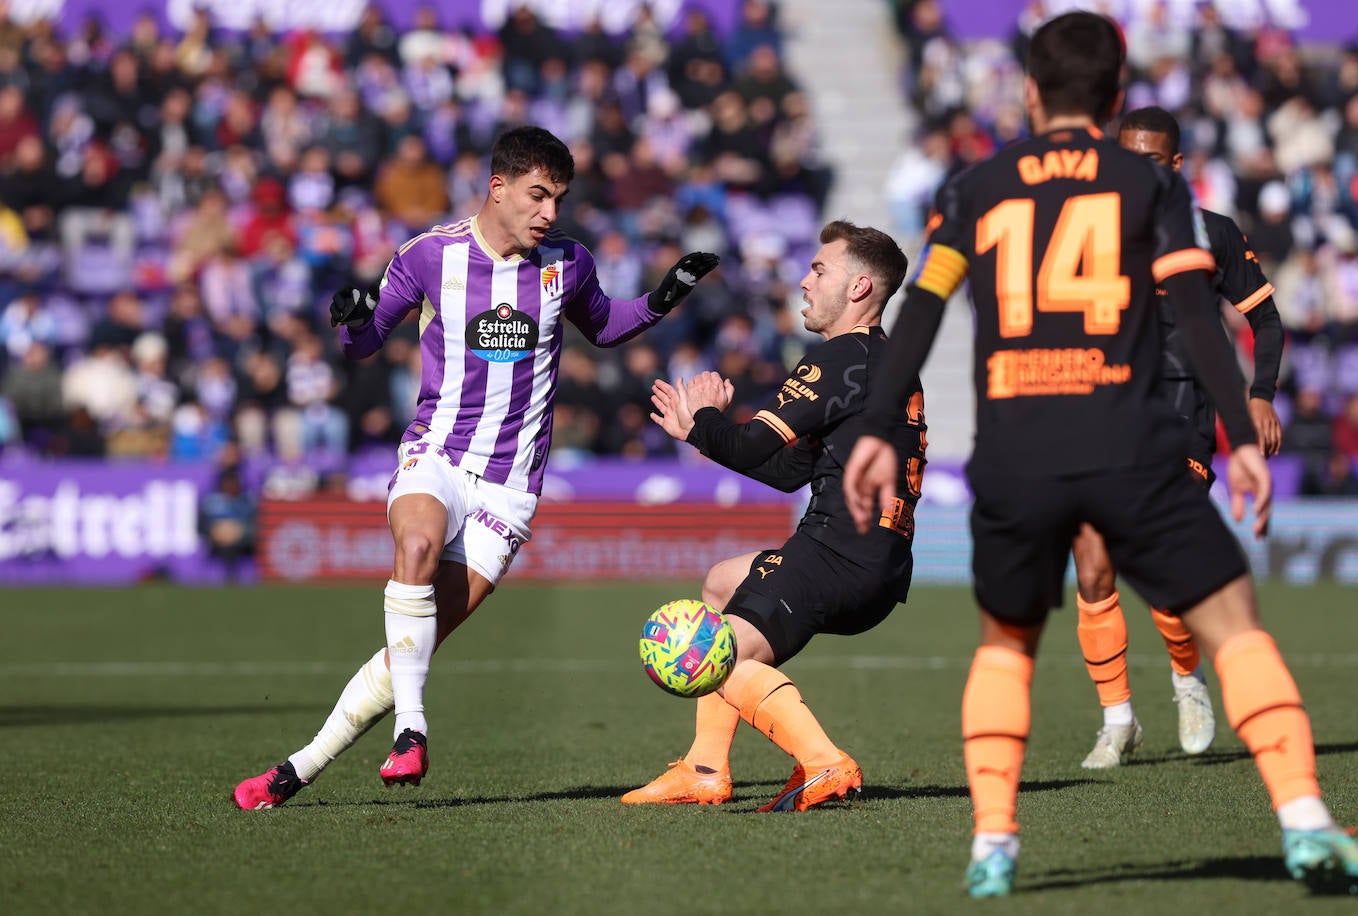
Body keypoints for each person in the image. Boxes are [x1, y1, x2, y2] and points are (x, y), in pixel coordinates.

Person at [842, 12, 1358, 898]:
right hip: (1130, 443)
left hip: (1015, 453)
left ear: (1028, 91)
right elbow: (1197, 318)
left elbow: (924, 312)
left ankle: (994, 845)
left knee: (1006, 647)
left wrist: (869, 430)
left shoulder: (975, 186)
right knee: (1233, 622)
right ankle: (1307, 822)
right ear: (1117, 96)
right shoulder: (1151, 185)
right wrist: (1241, 436)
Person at [233, 126, 719, 808]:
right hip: (437, 452)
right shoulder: (430, 256)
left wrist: (666, 297)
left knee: (415, 645)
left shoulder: (566, 264)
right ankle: (412, 730)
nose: (550, 212)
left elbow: (606, 325)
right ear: (498, 188)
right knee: (417, 545)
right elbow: (366, 343)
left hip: (511, 488)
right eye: (538, 195)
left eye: (559, 199)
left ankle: (293, 772)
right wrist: (349, 320)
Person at [623, 220, 924, 811]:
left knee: (708, 653)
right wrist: (702, 436)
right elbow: (789, 471)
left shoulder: (841, 358)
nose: (805, 282)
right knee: (719, 582)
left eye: (819, 269)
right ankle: (705, 767)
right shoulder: (885, 361)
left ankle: (824, 762)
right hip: (877, 566)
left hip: (835, 556)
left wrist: (707, 418)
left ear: (860, 288)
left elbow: (750, 447)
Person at [1073, 105, 1287, 769]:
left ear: (1174, 166)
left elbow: (1268, 323)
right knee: (1093, 568)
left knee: (1158, 566)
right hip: (1099, 411)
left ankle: (1187, 679)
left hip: (1181, 412)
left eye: (1148, 160)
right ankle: (1118, 723)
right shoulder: (1082, 233)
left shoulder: (1211, 234)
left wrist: (1259, 399)